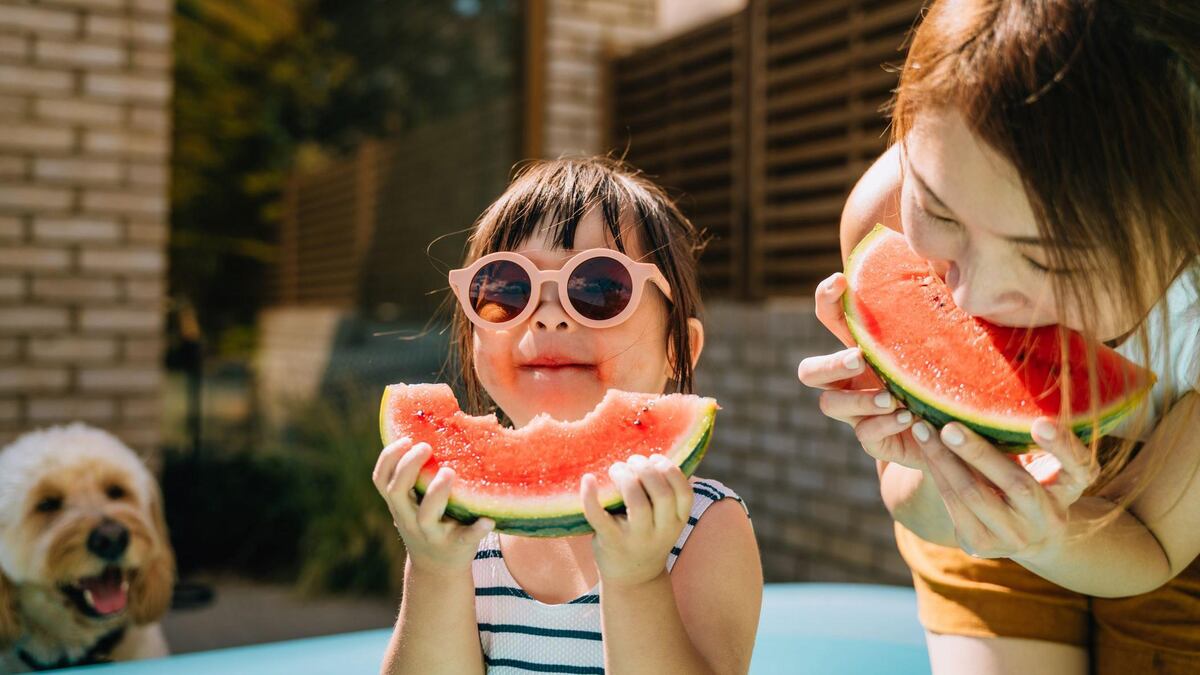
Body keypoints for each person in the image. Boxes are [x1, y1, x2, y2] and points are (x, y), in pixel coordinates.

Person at [797, 1, 1200, 673]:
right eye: (940, 211)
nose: (970, 298)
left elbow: (1156, 546)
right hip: (980, 535)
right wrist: (932, 463)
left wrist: (1053, 536)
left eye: (1047, 261)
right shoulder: (883, 214)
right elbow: (918, 507)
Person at [374, 157, 762, 674]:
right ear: (470, 344)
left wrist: (637, 578)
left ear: (679, 349)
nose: (550, 314)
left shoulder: (704, 525)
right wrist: (435, 570)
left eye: (600, 288)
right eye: (506, 289)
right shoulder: (458, 524)